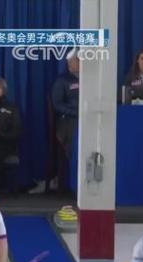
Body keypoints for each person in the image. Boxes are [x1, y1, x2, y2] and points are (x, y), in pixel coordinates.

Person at [51, 50, 79, 194]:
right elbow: (57, 105)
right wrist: (76, 112)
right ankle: (73, 185)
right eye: (68, 62)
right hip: (68, 121)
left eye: (73, 61)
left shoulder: (90, 78)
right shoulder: (62, 81)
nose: (69, 64)